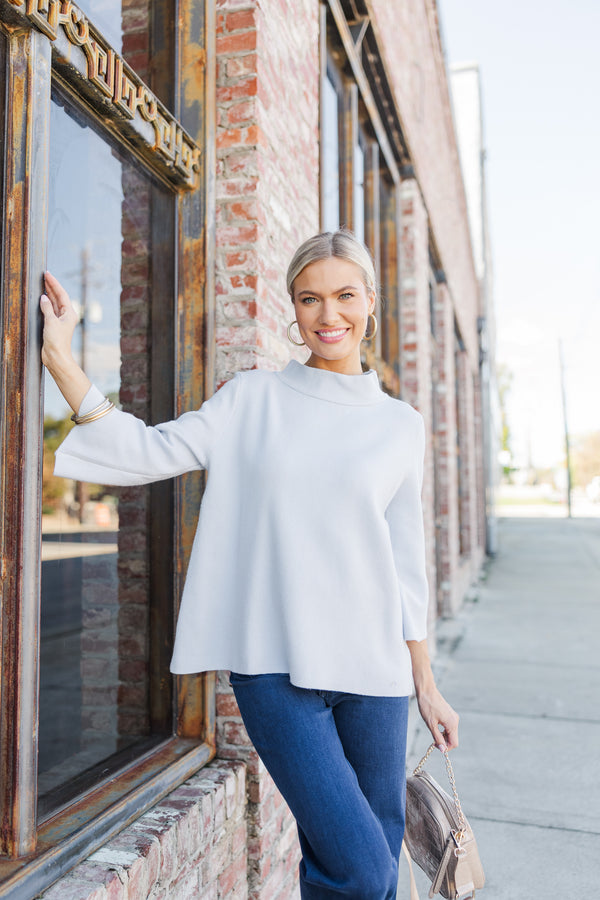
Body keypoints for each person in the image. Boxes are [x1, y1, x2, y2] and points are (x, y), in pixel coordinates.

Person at [40, 229, 459, 899]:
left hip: (376, 673)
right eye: (310, 299)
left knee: (363, 857)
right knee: (362, 868)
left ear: (371, 301)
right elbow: (146, 454)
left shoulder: (399, 425)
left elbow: (407, 562)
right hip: (276, 669)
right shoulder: (251, 400)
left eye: (345, 296)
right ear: (292, 309)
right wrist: (62, 359)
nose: (329, 316)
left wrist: (426, 683)